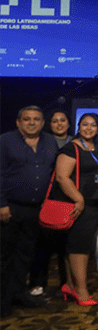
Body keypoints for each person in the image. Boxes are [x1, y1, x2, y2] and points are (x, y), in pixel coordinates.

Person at [1, 106, 59, 316]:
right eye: (27, 119)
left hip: (36, 209)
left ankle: (18, 293)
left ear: (43, 123)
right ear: (18, 122)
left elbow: (53, 173)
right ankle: (2, 300)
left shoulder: (50, 141)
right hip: (10, 207)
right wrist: (1, 203)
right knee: (4, 256)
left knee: (26, 255)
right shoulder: (5, 141)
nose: (32, 123)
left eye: (36, 119)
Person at [51, 113, 98, 306]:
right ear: (78, 126)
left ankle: (70, 285)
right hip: (78, 205)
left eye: (93, 125)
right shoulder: (71, 148)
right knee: (79, 248)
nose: (89, 128)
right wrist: (78, 199)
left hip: (94, 203)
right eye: (85, 125)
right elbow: (62, 177)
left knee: (78, 246)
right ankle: (81, 291)